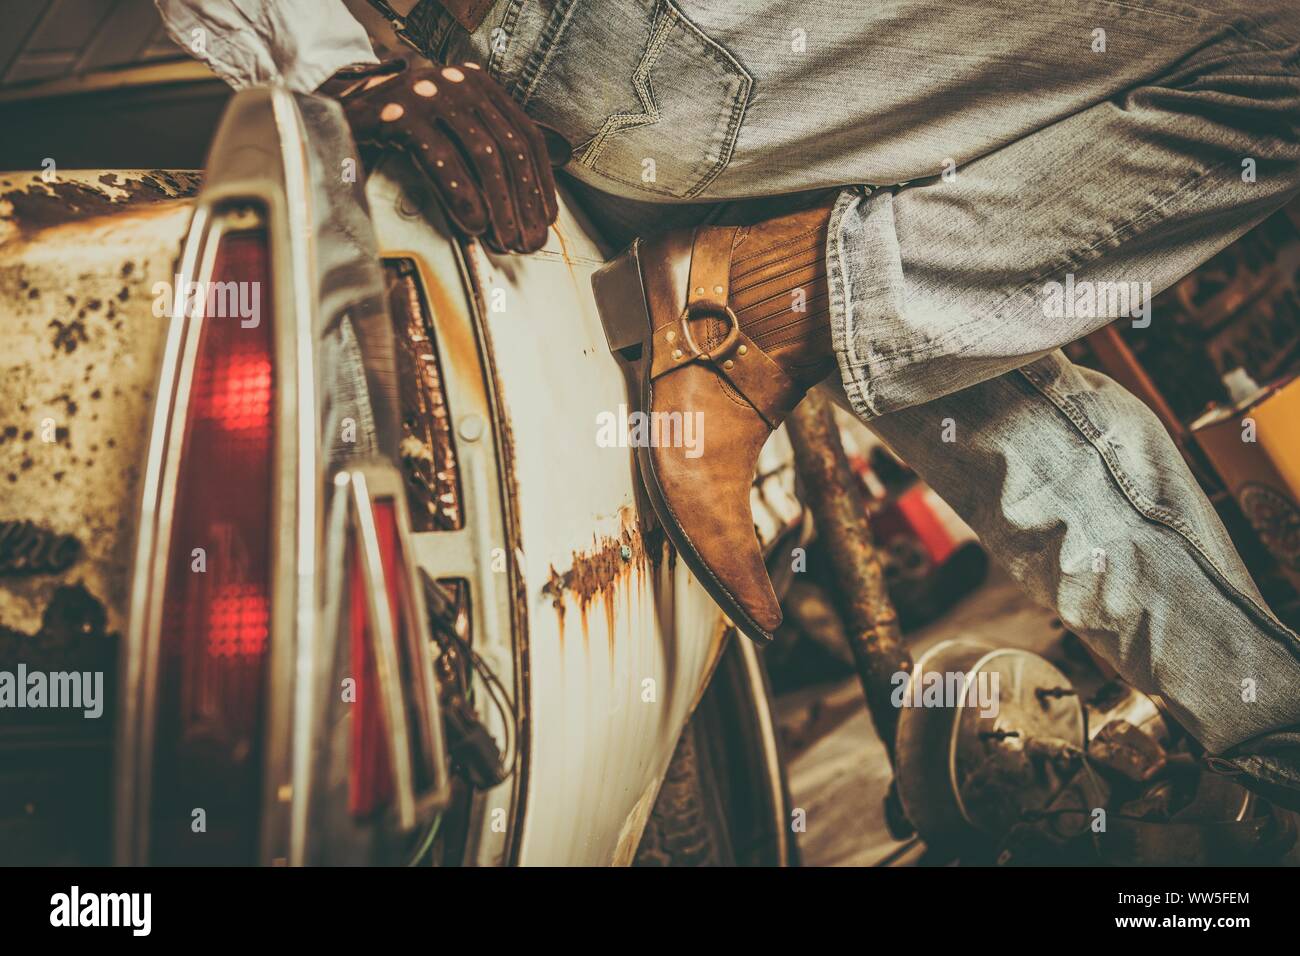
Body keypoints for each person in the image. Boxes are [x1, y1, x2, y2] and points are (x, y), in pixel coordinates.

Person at [155, 0, 1300, 804]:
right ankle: (776, 300)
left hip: (618, 96)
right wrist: (327, 70)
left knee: (1018, 432)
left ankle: (1272, 750)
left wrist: (325, 63)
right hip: (663, 44)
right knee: (1275, 53)